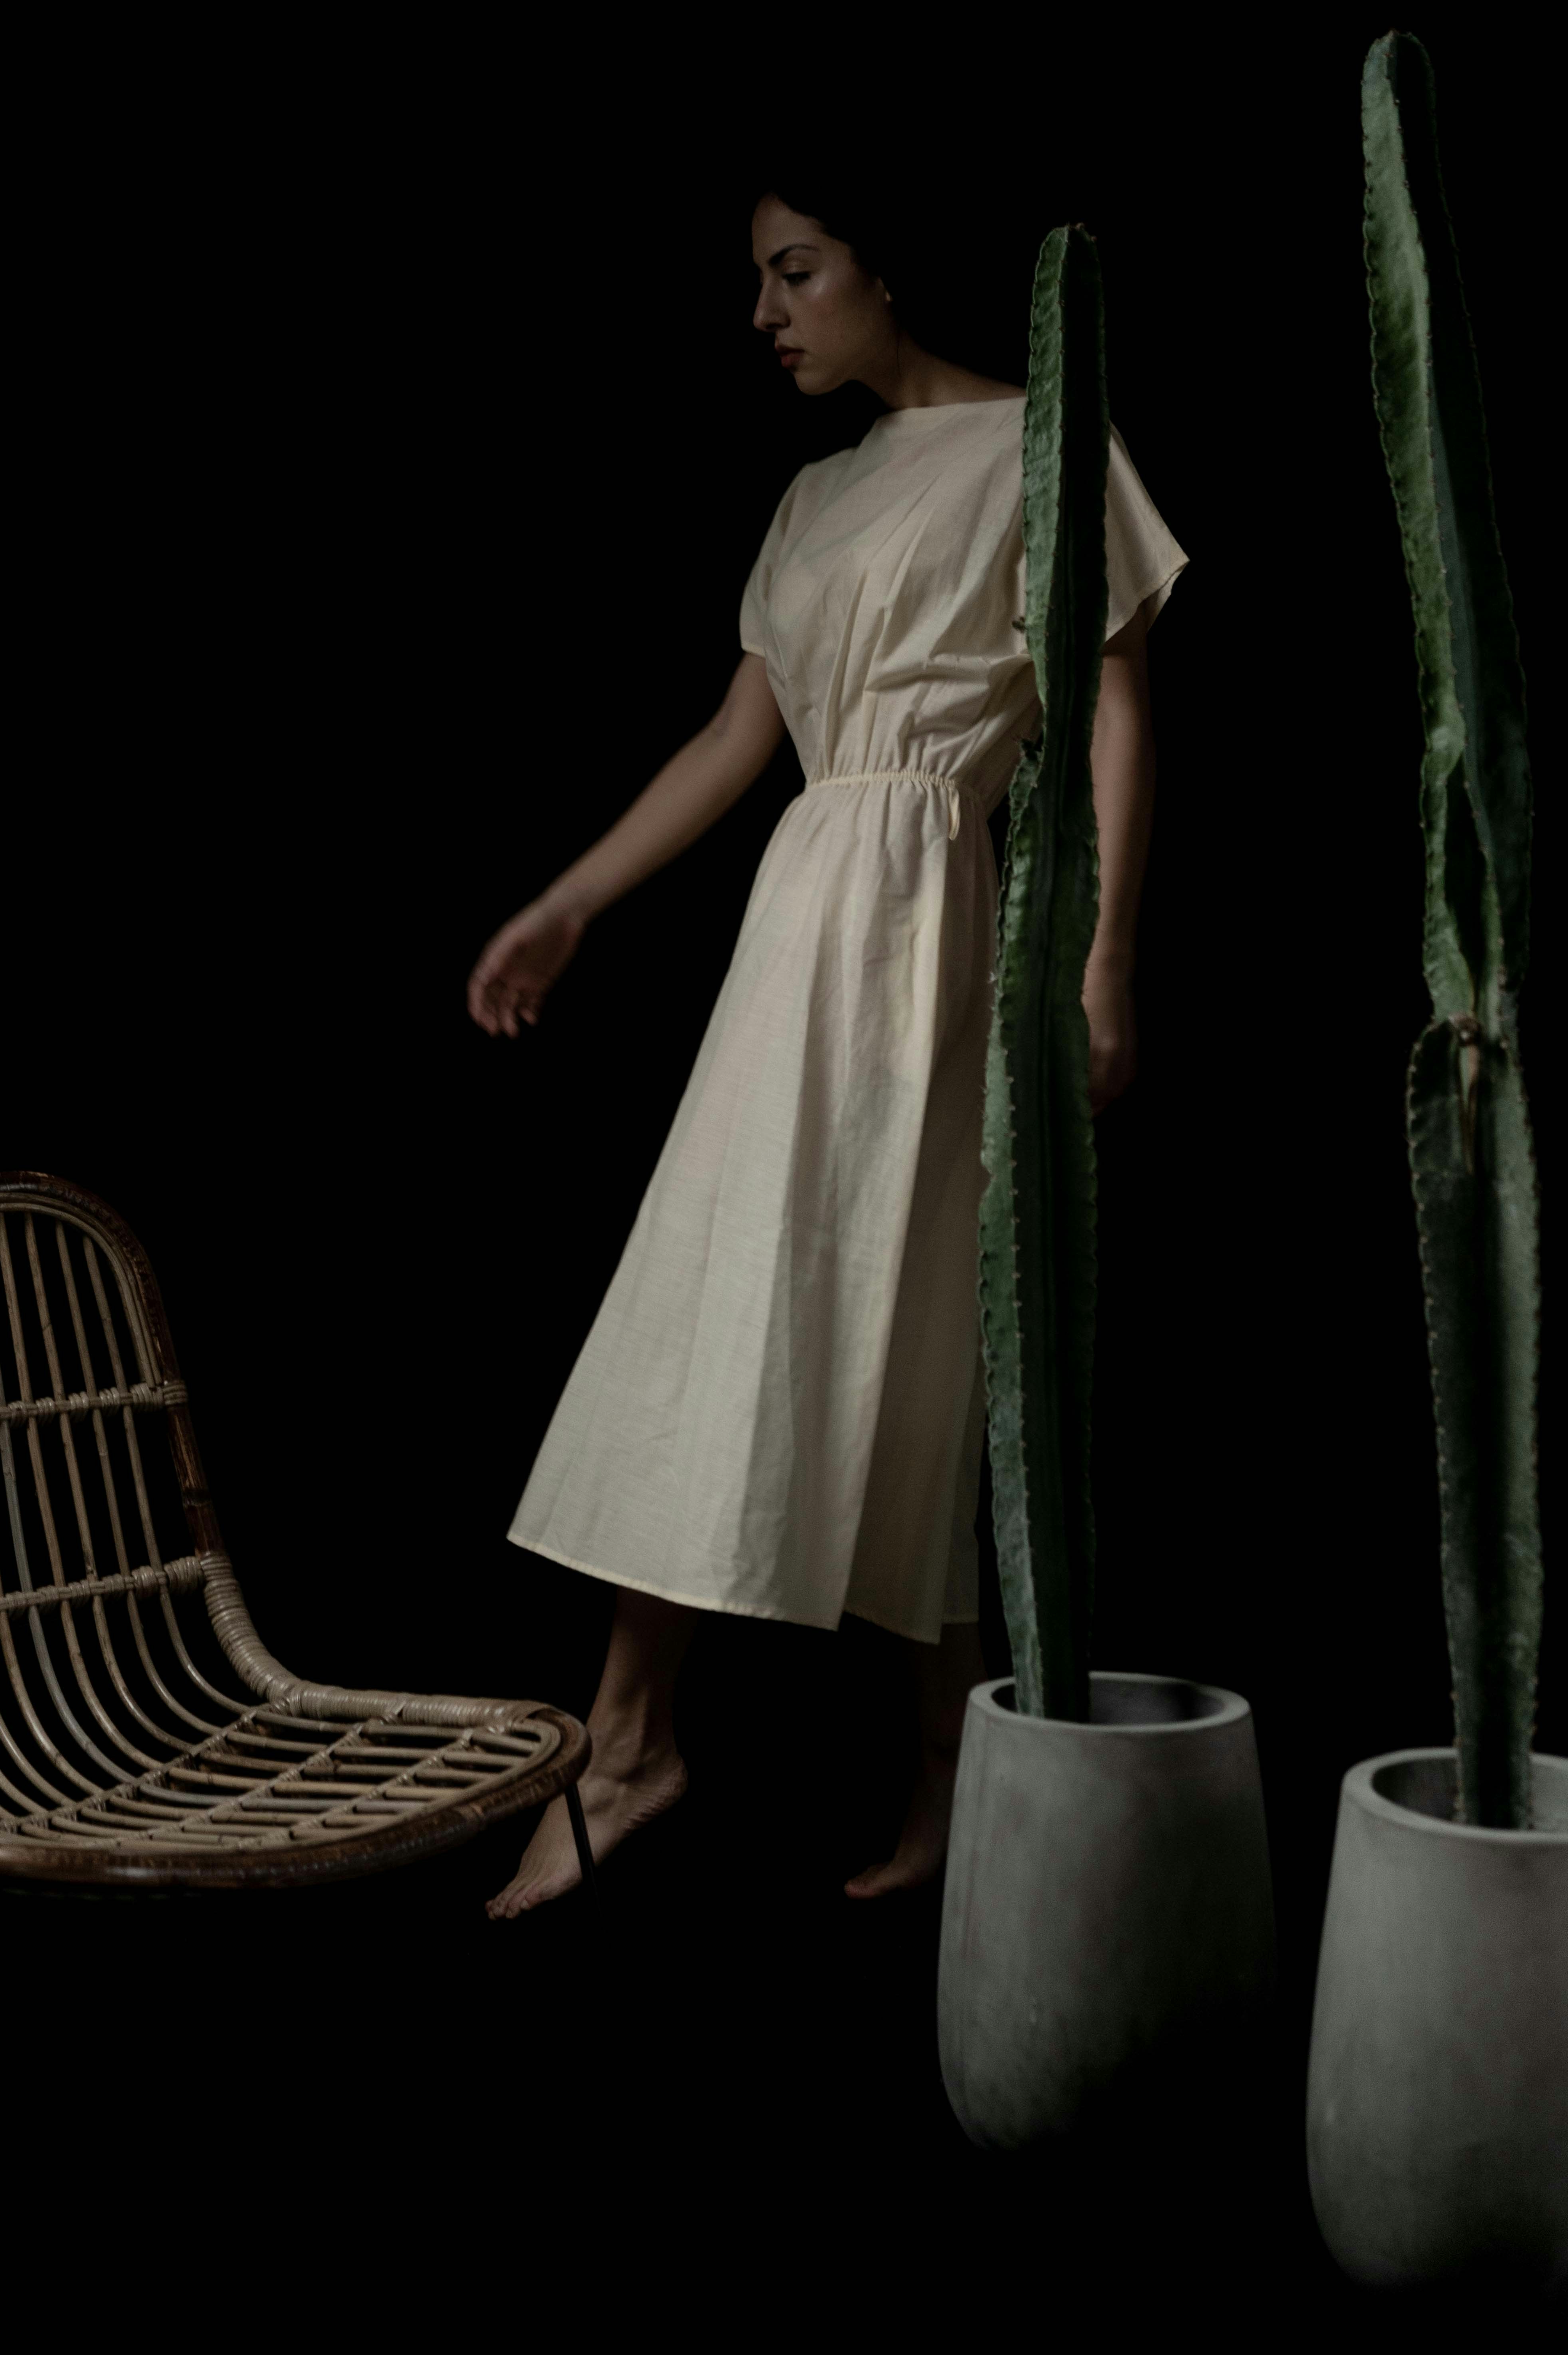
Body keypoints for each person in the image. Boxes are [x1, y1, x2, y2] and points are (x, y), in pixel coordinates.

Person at [468, 185, 1188, 1918]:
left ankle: (926, 1775)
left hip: (938, 914)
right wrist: (571, 903)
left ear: (891, 265)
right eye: (757, 281)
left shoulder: (1047, 442)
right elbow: (737, 737)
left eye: (794, 275)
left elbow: (1110, 708)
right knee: (728, 1305)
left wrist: (1100, 963)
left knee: (926, 1336)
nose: (766, 314)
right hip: (800, 919)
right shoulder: (809, 495)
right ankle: (633, 1739)